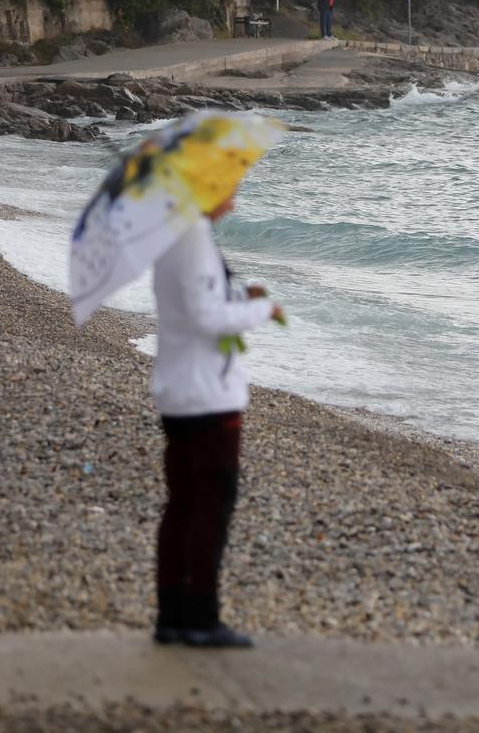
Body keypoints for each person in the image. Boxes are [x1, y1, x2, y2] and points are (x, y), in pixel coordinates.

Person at [150, 188, 282, 647]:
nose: (236, 198)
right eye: (228, 187)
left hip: (180, 387)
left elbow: (198, 302)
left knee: (185, 502)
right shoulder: (194, 241)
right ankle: (201, 618)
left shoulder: (175, 238)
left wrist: (242, 294)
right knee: (212, 501)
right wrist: (260, 309)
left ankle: (172, 614)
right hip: (206, 394)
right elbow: (208, 316)